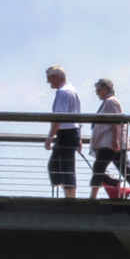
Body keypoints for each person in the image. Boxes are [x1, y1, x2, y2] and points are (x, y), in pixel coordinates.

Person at [88, 77, 130, 201]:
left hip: (109, 143)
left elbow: (116, 122)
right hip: (110, 143)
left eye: (98, 90)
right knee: (125, 169)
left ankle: (92, 197)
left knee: (99, 168)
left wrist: (116, 141)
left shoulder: (111, 102)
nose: (97, 92)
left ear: (106, 89)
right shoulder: (108, 102)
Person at [44, 66, 82, 199]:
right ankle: (69, 195)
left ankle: (70, 198)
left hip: (66, 133)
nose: (48, 82)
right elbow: (78, 115)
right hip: (72, 132)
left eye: (49, 78)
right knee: (60, 166)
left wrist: (50, 137)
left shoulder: (63, 92)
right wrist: (79, 137)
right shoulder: (72, 91)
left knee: (64, 167)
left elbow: (59, 118)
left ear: (56, 77)